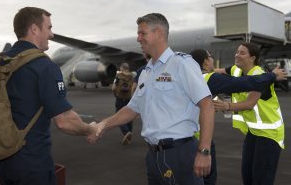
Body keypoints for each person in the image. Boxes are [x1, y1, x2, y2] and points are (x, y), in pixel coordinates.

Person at [90, 13, 214, 185]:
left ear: (159, 34)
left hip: (178, 154)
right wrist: (104, 124)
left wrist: (204, 151)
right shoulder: (147, 71)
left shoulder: (182, 64)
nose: (138, 38)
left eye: (143, 33)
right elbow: (132, 109)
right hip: (153, 156)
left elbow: (207, 105)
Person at [0, 7, 96, 185]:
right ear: (34, 29)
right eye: (48, 28)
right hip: (31, 163)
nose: (52, 34)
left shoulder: (0, 62)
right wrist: (90, 129)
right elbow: (64, 121)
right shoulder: (43, 66)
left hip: (1, 159)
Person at [190, 49, 287, 185]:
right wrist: (272, 75)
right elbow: (240, 82)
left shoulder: (258, 74)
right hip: (203, 139)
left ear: (252, 58)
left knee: (259, 178)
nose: (236, 54)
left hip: (269, 133)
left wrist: (227, 106)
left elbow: (249, 102)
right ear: (206, 62)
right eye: (236, 51)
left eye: (242, 53)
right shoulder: (213, 77)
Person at [112, 62, 134, 145]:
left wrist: (115, 94)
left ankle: (126, 132)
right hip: (129, 99)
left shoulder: (118, 76)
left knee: (118, 116)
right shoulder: (132, 76)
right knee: (129, 116)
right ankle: (129, 133)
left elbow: (113, 87)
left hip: (120, 98)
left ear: (122, 68)